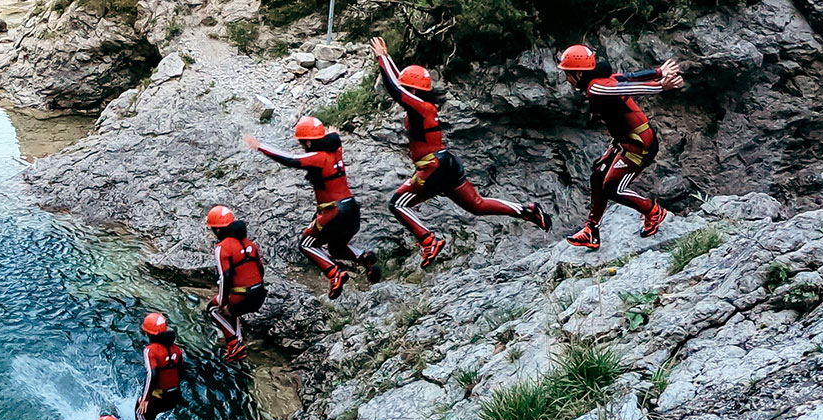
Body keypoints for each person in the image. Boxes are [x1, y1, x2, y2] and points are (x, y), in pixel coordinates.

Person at [370, 37, 550, 267]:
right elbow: (400, 84)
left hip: (432, 167)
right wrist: (387, 58)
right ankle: (527, 211)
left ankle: (428, 241)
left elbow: (395, 89)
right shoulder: (424, 105)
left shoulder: (419, 107)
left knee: (397, 204)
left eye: (408, 89)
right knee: (476, 204)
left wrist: (381, 59)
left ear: (413, 91)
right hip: (446, 163)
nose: (404, 92)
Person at [558, 44, 684, 249]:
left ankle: (653, 212)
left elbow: (624, 88)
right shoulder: (603, 79)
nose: (566, 79)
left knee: (613, 188)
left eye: (568, 74)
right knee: (598, 175)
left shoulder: (596, 87)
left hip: (640, 144)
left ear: (579, 73)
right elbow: (628, 77)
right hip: (625, 141)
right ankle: (591, 230)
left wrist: (660, 86)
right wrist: (658, 73)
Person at [242, 120, 379, 299]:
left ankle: (334, 273)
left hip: (334, 211)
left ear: (308, 142)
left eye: (302, 142)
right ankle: (364, 257)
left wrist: (260, 146)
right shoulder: (336, 151)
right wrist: (331, 135)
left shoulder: (319, 157)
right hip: (351, 208)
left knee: (306, 244)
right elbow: (333, 138)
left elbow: (291, 159)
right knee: (336, 248)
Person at [205, 205, 266, 362]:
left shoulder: (222, 247)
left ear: (218, 230)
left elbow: (224, 277)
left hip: (243, 296)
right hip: (259, 294)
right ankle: (238, 341)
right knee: (233, 311)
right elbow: (261, 270)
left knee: (213, 309)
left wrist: (223, 300)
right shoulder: (250, 244)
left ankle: (234, 343)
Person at [133, 312, 185, 420]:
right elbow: (181, 372)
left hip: (161, 396)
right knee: (151, 412)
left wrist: (146, 398)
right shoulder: (177, 349)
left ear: (149, 333)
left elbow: (152, 375)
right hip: (174, 395)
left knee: (140, 409)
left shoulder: (150, 350)